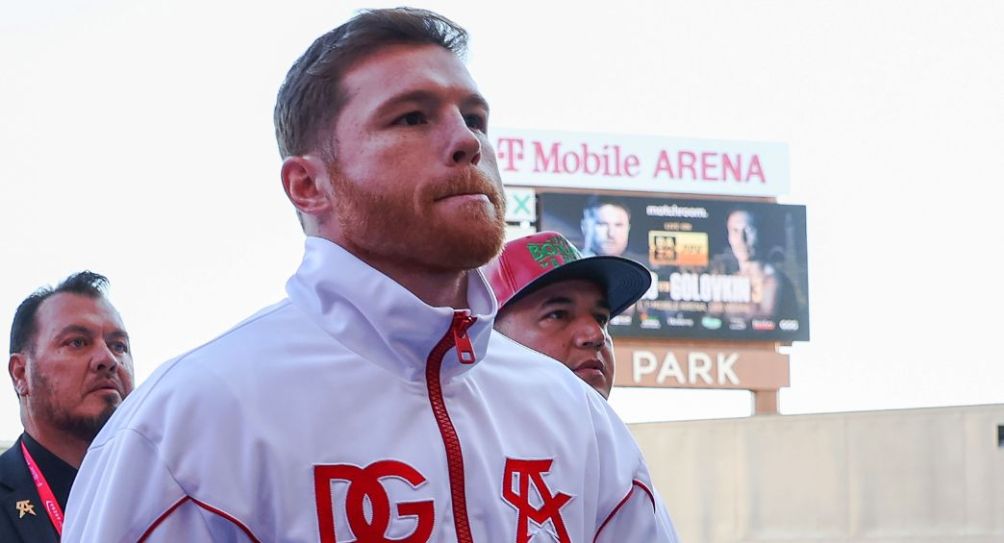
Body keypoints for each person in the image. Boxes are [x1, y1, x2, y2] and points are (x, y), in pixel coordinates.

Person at [64, 8, 679, 542]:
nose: (466, 141)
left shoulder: (577, 419)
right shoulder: (186, 424)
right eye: (412, 117)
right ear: (309, 185)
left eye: (476, 119)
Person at [1, 272, 133, 542]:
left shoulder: (168, 493)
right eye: (77, 342)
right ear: (20, 374)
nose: (108, 359)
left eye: (118, 346)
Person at [484, 231, 651, 399]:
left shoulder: (610, 425)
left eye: (601, 318)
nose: (596, 335)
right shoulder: (467, 423)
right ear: (487, 339)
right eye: (558, 314)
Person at [715, 208, 797, 319]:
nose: (741, 239)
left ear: (760, 233)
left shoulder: (773, 280)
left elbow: (765, 322)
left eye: (748, 230)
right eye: (735, 231)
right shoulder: (729, 281)